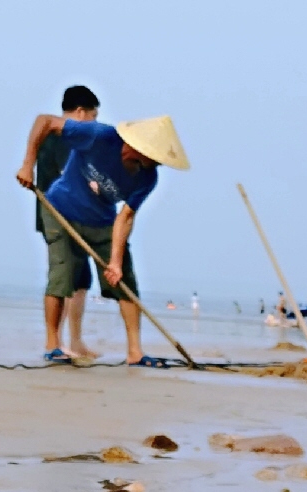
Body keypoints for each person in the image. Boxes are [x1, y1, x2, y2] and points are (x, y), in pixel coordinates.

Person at [17, 109, 187, 365]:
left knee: (125, 281)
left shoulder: (148, 177)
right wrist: (28, 164)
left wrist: (116, 261)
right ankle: (53, 345)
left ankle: (134, 352)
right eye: (157, 156)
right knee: (62, 275)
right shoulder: (99, 136)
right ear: (139, 147)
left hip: (103, 221)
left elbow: (126, 217)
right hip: (60, 210)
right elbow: (45, 121)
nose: (160, 162)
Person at [33, 85, 101, 361]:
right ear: (81, 112)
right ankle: (54, 343)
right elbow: (72, 175)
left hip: (80, 217)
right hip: (58, 216)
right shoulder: (60, 136)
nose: (95, 123)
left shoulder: (74, 137)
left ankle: (76, 340)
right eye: (93, 116)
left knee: (82, 279)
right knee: (63, 277)